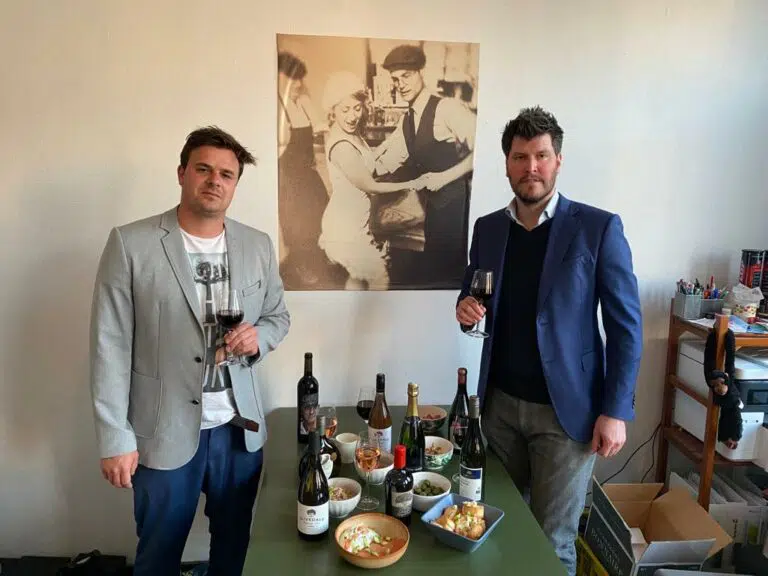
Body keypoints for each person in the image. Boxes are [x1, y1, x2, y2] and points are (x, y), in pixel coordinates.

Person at [90, 126, 290, 575]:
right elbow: (109, 346)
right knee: (158, 554)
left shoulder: (257, 244)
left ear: (235, 185)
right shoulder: (131, 243)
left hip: (239, 432)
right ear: (182, 173)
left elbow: (277, 316)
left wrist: (259, 337)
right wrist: (115, 437)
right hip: (161, 430)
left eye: (226, 174)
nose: (215, 180)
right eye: (204, 169)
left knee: (235, 547)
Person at [455, 107, 642, 575]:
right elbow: (472, 293)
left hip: (567, 417)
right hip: (498, 408)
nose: (531, 167)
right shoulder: (488, 229)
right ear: (507, 164)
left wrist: (616, 410)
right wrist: (464, 308)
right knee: (490, 525)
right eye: (520, 157)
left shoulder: (598, 228)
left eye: (541, 156)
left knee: (552, 542)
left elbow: (626, 327)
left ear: (558, 160)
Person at [378, 44, 476, 289]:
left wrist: (445, 177)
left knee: (449, 273)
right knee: (435, 272)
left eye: (407, 76)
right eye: (396, 79)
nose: (401, 84)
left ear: (421, 73)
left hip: (455, 206)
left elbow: (485, 151)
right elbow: (390, 160)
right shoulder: (408, 119)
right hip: (431, 206)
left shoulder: (447, 108)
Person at [318, 71, 426, 290]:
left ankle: (348, 312)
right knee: (379, 278)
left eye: (357, 108)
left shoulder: (352, 135)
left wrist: (397, 136)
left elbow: (369, 160)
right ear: (333, 110)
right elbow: (371, 185)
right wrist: (413, 184)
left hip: (355, 224)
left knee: (358, 279)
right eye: (345, 110)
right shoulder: (342, 146)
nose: (352, 116)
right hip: (344, 228)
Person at [277, 51, 333, 289]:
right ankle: (301, 266)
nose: (299, 84)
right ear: (279, 77)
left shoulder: (301, 102)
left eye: (300, 78)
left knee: (322, 214)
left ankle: (318, 262)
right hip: (290, 178)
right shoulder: (277, 106)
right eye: (293, 79)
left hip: (308, 173)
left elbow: (321, 128)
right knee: (298, 225)